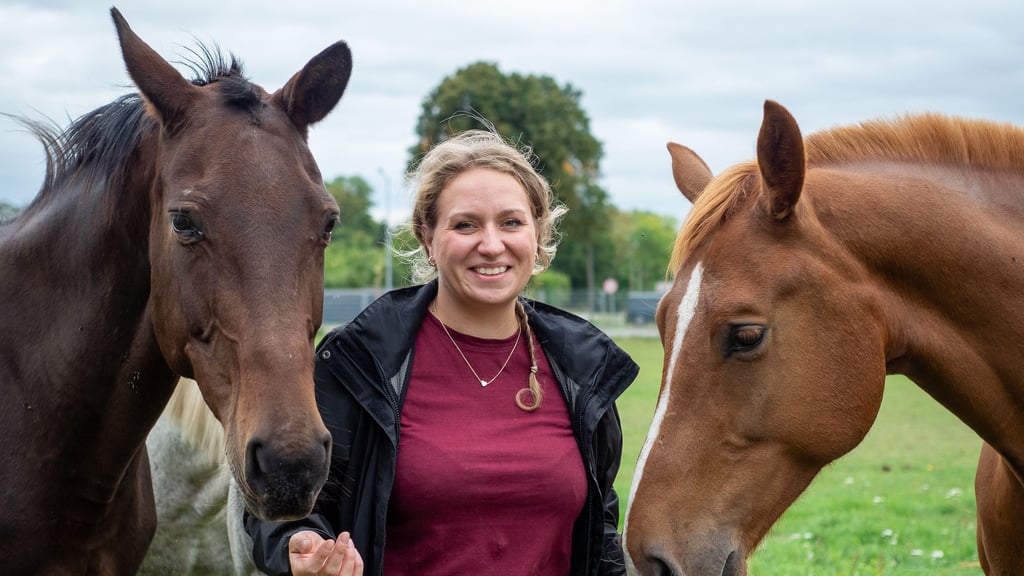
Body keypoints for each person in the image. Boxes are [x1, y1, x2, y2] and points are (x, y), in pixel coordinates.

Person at [245, 128, 639, 576]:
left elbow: (600, 534)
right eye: (465, 224)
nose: (491, 244)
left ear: (538, 233)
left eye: (511, 222)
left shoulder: (581, 369)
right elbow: (284, 503)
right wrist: (300, 545)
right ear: (427, 238)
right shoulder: (359, 363)